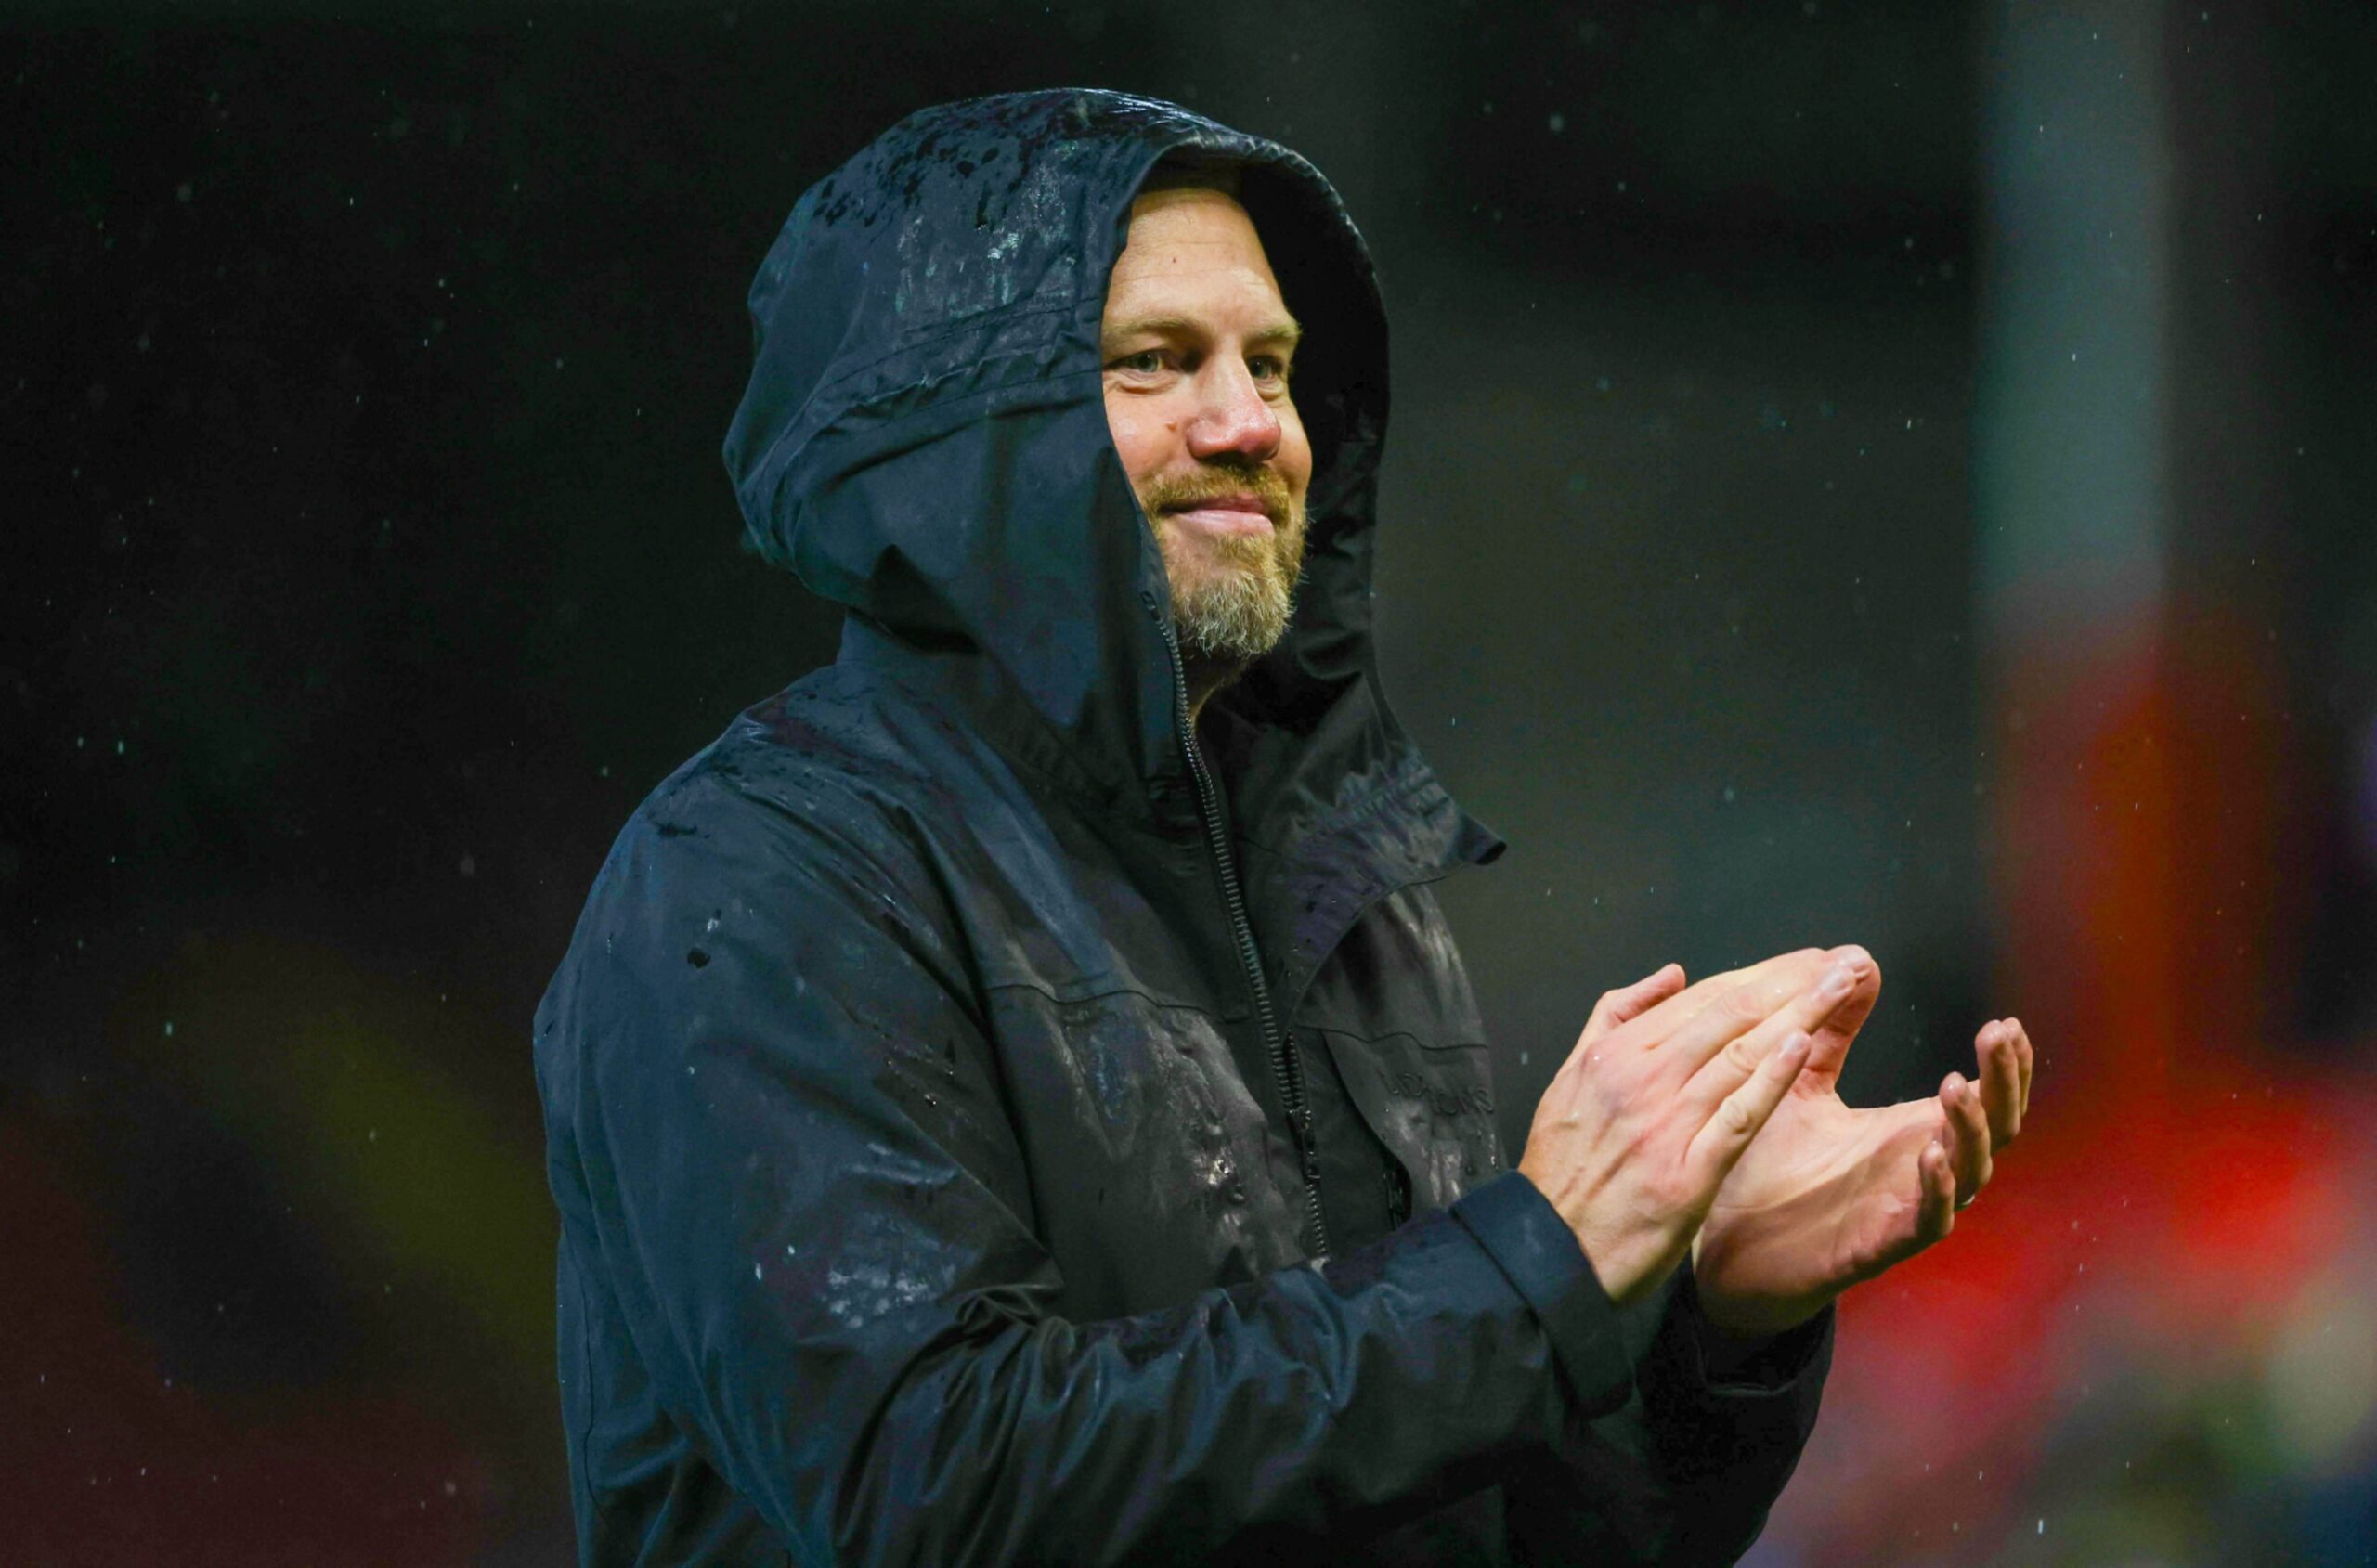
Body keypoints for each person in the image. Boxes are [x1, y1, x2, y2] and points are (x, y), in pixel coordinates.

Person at [532, 88, 2034, 1565]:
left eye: (1274, 362)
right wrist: (1539, 1264)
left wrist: (1700, 1318)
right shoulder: (755, 879)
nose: (1252, 422)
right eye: (1153, 362)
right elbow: (936, 1485)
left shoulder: (1346, 890)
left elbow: (1482, 1524)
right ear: (962, 440)